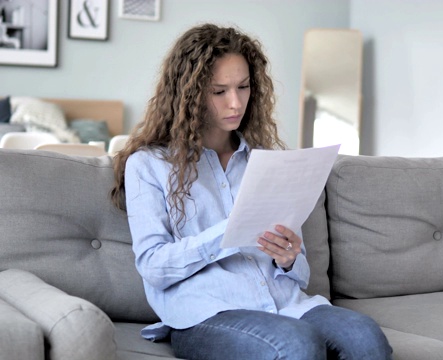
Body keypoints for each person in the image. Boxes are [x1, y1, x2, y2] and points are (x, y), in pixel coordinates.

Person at [110, 23, 392, 360]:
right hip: (205, 314)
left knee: (367, 338)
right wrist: (227, 232)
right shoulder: (149, 165)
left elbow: (299, 275)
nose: (235, 102)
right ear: (188, 93)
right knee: (297, 344)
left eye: (243, 87)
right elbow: (154, 267)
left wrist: (288, 260)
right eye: (219, 91)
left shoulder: (268, 163)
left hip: (287, 306)